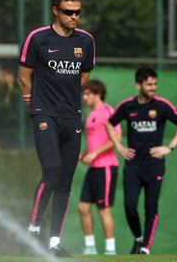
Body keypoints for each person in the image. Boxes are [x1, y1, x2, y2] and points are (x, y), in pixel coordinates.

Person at [17, 0, 95, 257]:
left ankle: (54, 244)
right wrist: (31, 99)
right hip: (44, 114)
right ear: (56, 11)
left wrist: (68, 96)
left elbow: (83, 77)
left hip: (71, 116)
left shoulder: (86, 41)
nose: (74, 16)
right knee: (51, 170)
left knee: (65, 181)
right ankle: (33, 230)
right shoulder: (37, 38)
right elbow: (23, 75)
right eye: (68, 12)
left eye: (78, 12)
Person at [106, 66, 177, 255]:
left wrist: (169, 147)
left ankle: (145, 249)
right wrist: (119, 147)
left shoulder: (162, 105)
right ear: (138, 85)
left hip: (155, 164)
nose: (153, 88)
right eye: (149, 84)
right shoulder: (128, 106)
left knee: (151, 206)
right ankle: (138, 237)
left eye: (155, 84)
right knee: (130, 205)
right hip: (133, 163)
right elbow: (109, 124)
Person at [78, 80, 121, 255]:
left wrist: (95, 154)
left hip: (106, 168)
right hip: (93, 169)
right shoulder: (91, 115)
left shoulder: (108, 112)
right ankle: (90, 248)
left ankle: (111, 250)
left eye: (88, 94)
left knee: (103, 209)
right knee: (83, 207)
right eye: (84, 94)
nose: (84, 97)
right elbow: (94, 143)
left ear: (98, 94)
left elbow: (116, 139)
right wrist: (83, 155)